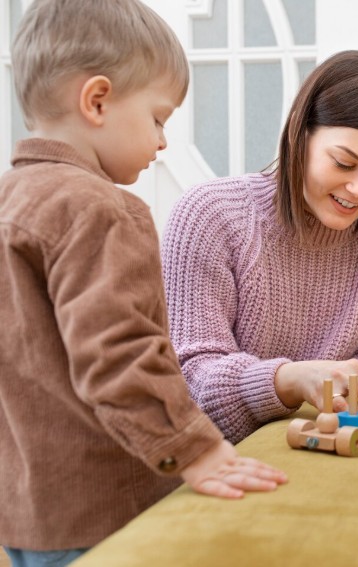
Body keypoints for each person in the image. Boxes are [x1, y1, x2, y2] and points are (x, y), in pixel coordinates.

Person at [0, 0, 287, 564]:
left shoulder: (11, 201)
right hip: (109, 504)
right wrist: (197, 450)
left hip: (27, 508)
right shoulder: (102, 209)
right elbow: (121, 353)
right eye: (158, 118)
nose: (162, 143)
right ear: (97, 101)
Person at [161, 50, 358, 445]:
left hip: (324, 445)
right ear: (301, 134)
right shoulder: (211, 215)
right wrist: (289, 379)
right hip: (215, 462)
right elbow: (189, 382)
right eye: (344, 164)